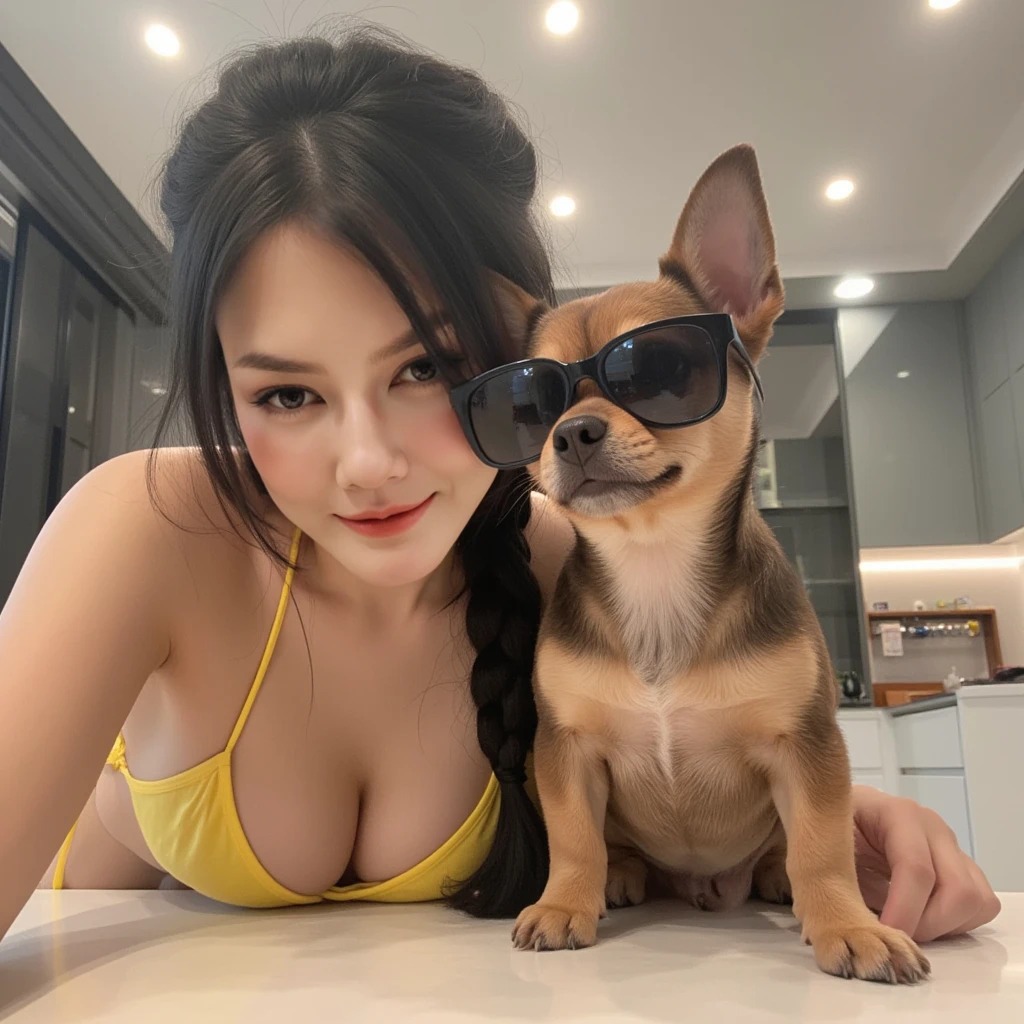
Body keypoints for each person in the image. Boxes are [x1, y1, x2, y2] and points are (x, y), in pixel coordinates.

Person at [0, 27, 999, 946]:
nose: (368, 462)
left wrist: (837, 825)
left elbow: (699, 758)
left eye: (427, 368)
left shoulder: (561, 554)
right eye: (287, 393)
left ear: (507, 359)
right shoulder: (148, 527)